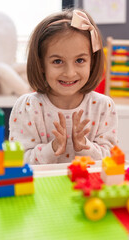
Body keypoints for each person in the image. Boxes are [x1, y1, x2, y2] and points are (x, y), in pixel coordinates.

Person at [9, 9, 118, 164]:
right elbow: (18, 163)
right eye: (57, 61)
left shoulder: (103, 107)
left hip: (88, 188)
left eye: (79, 60)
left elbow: (110, 161)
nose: (69, 73)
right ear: (41, 64)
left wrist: (85, 146)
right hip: (43, 187)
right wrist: (51, 149)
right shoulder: (27, 107)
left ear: (92, 62)